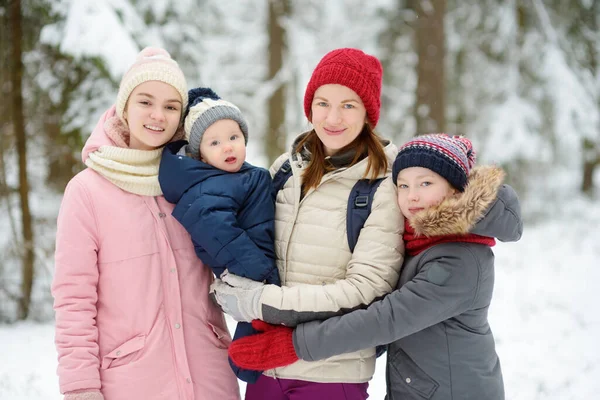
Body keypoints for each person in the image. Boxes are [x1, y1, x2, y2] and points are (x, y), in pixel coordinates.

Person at [226, 133, 524, 400]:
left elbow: (385, 319)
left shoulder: (459, 258)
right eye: (403, 185)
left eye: (425, 183)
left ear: (455, 189)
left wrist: (295, 343)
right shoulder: (422, 241)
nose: (412, 196)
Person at [211, 48, 405, 399]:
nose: (332, 117)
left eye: (348, 105)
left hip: (332, 374)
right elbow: (249, 242)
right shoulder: (286, 169)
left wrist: (260, 302)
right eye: (322, 102)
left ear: (367, 113)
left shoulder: (383, 184)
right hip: (266, 365)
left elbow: (365, 291)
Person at [52, 47, 240, 400]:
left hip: (211, 380)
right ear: (124, 106)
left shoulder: (200, 182)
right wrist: (80, 389)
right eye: (145, 102)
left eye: (171, 106)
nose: (158, 115)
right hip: (131, 385)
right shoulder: (86, 193)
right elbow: (73, 301)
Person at [158, 87, 280, 383]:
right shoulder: (205, 188)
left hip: (261, 264)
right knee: (261, 328)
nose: (228, 147)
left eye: (233, 138)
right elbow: (221, 235)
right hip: (250, 273)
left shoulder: (239, 176)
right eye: (215, 143)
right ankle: (247, 361)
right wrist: (264, 274)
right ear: (200, 154)